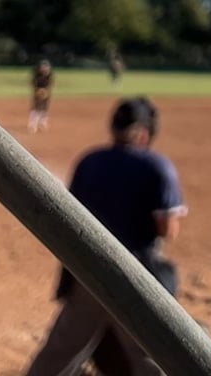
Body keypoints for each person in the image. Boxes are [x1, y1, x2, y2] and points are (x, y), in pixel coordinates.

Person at [25, 97, 186, 376]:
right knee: (149, 356)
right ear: (144, 132)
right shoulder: (157, 166)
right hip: (137, 279)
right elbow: (167, 229)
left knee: (59, 353)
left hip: (89, 274)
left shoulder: (90, 161)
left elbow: (70, 217)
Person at [29, 59, 54, 133]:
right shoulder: (36, 75)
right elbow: (34, 84)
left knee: (44, 107)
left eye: (46, 67)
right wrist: (38, 91)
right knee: (36, 107)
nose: (45, 69)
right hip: (37, 92)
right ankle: (33, 124)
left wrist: (45, 92)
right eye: (44, 67)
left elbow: (49, 85)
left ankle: (42, 122)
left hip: (46, 93)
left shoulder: (49, 75)